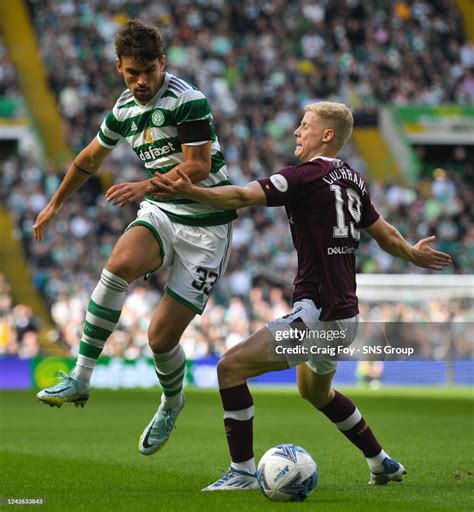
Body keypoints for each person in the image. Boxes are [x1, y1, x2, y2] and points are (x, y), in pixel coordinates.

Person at [150, 101, 452, 489]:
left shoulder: (304, 177)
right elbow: (385, 232)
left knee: (229, 369)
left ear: (326, 135)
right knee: (314, 391)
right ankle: (381, 462)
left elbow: (242, 197)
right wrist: (412, 253)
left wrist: (191, 192)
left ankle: (242, 472)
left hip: (318, 316)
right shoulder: (354, 179)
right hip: (346, 317)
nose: (297, 131)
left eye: (304, 125)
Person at [34, 20, 236, 456]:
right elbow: (89, 159)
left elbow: (199, 166)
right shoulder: (123, 109)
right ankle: (81, 378)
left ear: (163, 63)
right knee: (118, 264)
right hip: (163, 212)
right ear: (118, 69)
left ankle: (171, 401)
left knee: (160, 339)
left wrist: (143, 186)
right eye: (132, 73)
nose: (142, 81)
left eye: (149, 70)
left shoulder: (188, 100)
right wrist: (55, 204)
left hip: (207, 224)